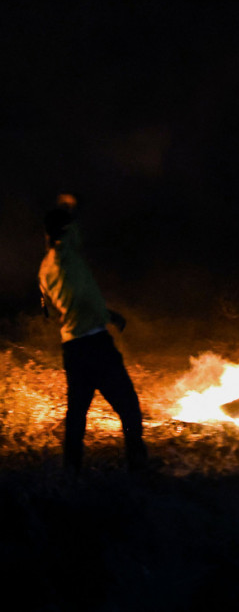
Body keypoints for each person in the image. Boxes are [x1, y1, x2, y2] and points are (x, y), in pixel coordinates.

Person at [38, 196, 148, 473]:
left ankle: (71, 468)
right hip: (96, 344)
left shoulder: (45, 269)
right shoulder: (69, 255)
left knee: (77, 412)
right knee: (129, 407)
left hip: (73, 347)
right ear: (65, 233)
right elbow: (71, 231)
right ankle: (138, 466)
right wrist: (68, 207)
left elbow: (52, 310)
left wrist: (108, 314)